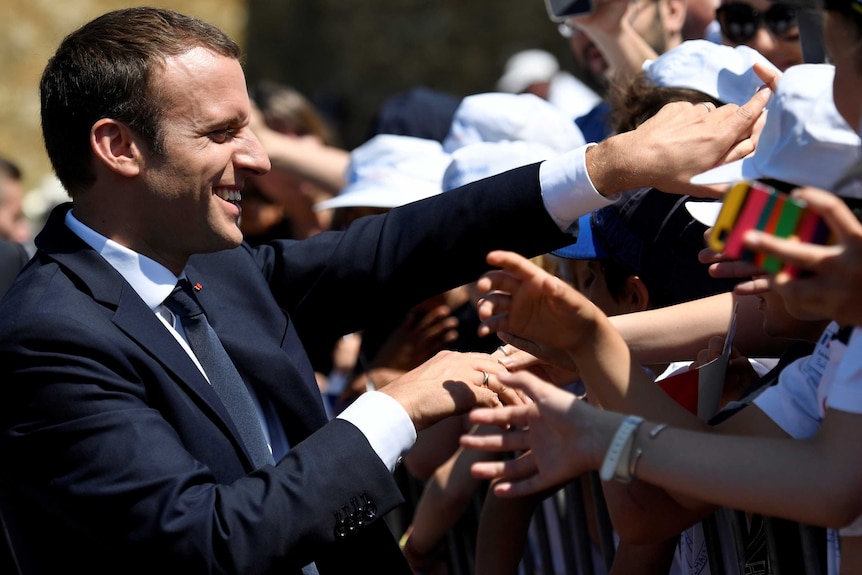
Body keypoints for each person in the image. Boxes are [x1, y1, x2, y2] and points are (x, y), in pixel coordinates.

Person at [0, 6, 772, 574]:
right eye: (220, 133)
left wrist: (610, 167)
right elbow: (209, 541)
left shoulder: (218, 270)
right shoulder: (52, 334)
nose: (261, 157)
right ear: (118, 147)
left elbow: (400, 245)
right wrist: (396, 409)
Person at [462, 25, 862, 574]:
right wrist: (587, 342)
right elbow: (665, 502)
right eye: (738, 215)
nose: (728, 253)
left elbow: (831, 488)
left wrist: (599, 396)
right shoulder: (836, 349)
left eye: (764, 220)